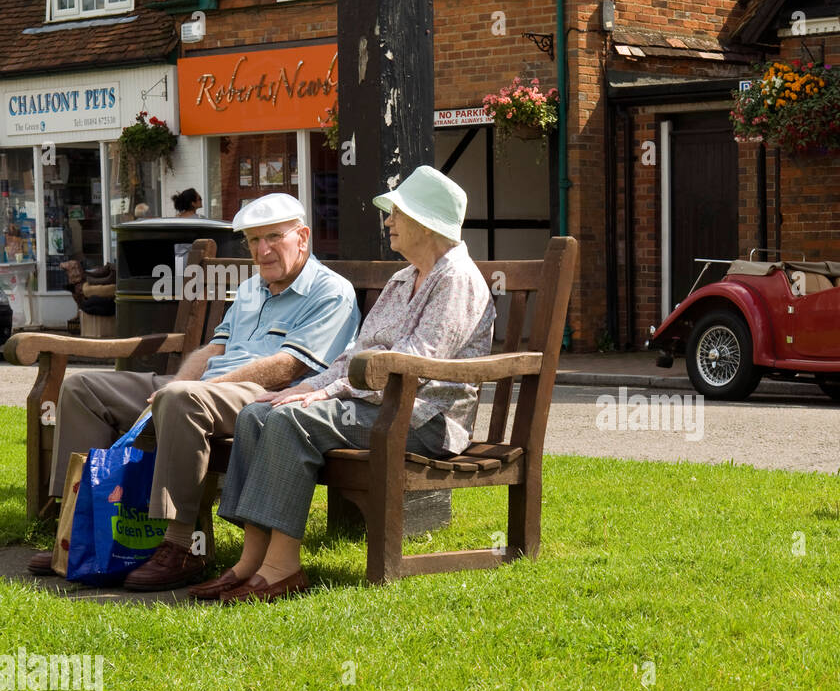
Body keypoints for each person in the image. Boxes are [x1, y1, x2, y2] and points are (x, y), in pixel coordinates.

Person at [28, 193, 361, 590]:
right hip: (203, 389)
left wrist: (195, 389)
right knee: (84, 388)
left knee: (182, 399)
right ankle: (77, 534)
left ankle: (182, 545)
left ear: (303, 237)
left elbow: (289, 367)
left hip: (265, 399)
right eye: (254, 241)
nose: (262, 250)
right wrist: (178, 382)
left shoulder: (331, 293)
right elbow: (212, 349)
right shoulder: (254, 288)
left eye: (274, 237)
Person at [191, 167, 493, 603]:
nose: (389, 221)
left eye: (398, 214)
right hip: (380, 405)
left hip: (425, 418)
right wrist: (305, 387)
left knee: (292, 422)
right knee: (259, 411)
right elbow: (356, 356)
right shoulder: (403, 277)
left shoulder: (456, 278)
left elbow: (416, 363)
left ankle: (282, 568)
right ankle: (250, 561)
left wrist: (327, 393)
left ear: (426, 223)